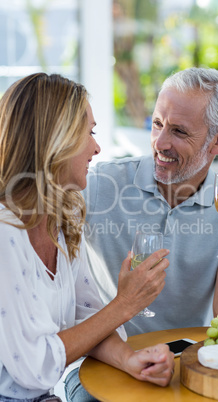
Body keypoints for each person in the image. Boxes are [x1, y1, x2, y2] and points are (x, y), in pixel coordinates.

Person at [65, 67, 218, 399]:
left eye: (179, 131)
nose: (160, 143)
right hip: (103, 365)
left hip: (185, 367)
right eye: (157, 124)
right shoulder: (99, 184)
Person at [0, 73, 175, 402]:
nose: (97, 147)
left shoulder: (59, 220)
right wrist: (126, 304)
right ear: (56, 139)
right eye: (89, 132)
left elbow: (86, 314)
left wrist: (129, 360)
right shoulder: (5, 232)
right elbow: (35, 366)